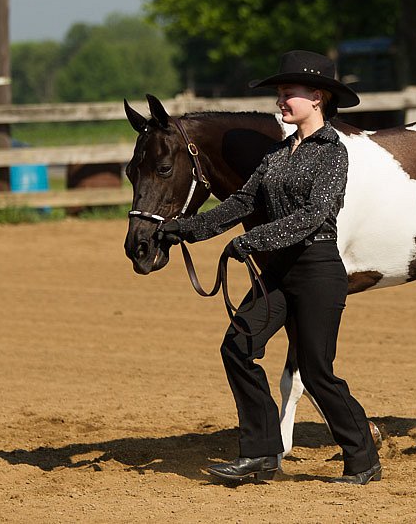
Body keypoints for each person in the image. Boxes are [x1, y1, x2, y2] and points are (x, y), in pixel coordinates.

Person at [156, 50, 381, 485]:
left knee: (317, 373)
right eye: (279, 94)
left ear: (317, 97)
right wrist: (185, 230)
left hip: (316, 270)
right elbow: (242, 202)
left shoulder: (333, 152)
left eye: (287, 94)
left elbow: (315, 214)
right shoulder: (279, 153)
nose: (280, 102)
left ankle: (363, 457)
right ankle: (260, 453)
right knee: (237, 348)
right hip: (277, 274)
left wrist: (252, 240)